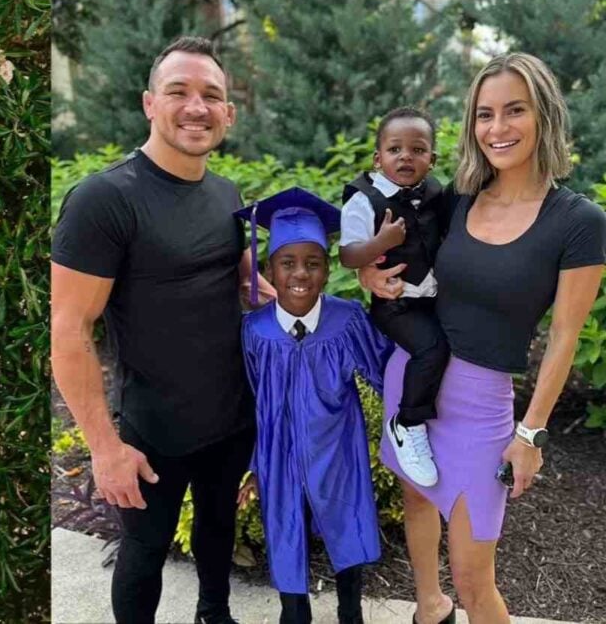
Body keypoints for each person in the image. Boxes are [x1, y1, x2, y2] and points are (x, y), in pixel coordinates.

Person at [362, 53, 605, 623]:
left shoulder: (578, 223)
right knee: (415, 494)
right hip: (413, 373)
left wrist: (532, 434)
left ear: (543, 115)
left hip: (480, 405)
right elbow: (399, 250)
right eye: (484, 114)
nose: (497, 129)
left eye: (514, 111)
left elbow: (566, 336)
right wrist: (367, 271)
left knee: (475, 581)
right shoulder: (459, 197)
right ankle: (427, 607)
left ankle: (450, 601)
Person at [51, 36, 274, 624]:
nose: (196, 107)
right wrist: (105, 448)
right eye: (179, 92)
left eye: (212, 95)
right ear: (150, 103)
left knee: (218, 528)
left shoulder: (226, 192)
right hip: (153, 429)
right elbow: (69, 328)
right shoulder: (103, 200)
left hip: (231, 417)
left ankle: (213, 613)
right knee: (144, 554)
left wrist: (250, 281)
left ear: (228, 113)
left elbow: (224, 272)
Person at [236, 188, 393, 624]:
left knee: (347, 520)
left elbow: (386, 372)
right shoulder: (255, 332)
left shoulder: (347, 320)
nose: (300, 274)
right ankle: (294, 612)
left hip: (338, 445)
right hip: (277, 451)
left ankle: (350, 611)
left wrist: (411, 424)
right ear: (269, 269)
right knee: (285, 527)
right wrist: (250, 462)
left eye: (314, 262)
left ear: (328, 270)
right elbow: (247, 396)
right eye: (287, 263)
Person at [339, 107, 448, 487]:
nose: (406, 156)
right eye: (395, 148)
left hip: (434, 296)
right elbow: (347, 254)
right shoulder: (364, 199)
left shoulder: (435, 192)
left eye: (418, 150)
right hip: (395, 302)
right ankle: (408, 422)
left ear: (431, 160)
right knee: (431, 348)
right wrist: (380, 243)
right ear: (378, 157)